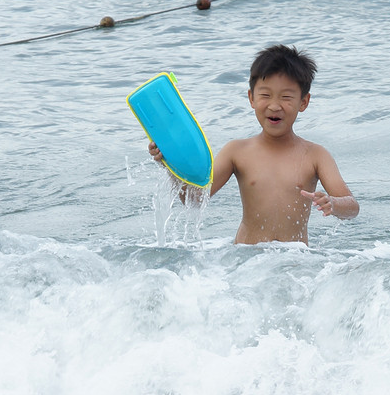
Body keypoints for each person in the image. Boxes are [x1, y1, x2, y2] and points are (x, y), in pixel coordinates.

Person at [147, 43, 359, 245]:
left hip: (295, 259)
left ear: (303, 102)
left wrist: (333, 203)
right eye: (265, 95)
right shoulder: (237, 151)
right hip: (247, 259)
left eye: (286, 97)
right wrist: (169, 164)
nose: (275, 106)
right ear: (251, 98)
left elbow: (352, 207)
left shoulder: (315, 155)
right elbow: (194, 200)